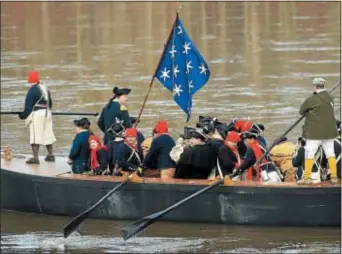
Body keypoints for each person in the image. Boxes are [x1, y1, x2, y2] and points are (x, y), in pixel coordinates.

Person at [297, 78, 338, 184]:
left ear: (315, 87)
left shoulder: (312, 99)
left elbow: (301, 111)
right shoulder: (330, 97)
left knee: (309, 153)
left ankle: (307, 178)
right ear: (323, 86)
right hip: (329, 133)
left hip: (314, 133)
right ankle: (334, 177)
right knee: (330, 154)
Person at [18, 71, 56, 164]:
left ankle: (35, 158)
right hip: (47, 113)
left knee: (35, 135)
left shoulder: (32, 90)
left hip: (38, 114)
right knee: (47, 133)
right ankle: (51, 155)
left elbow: (28, 108)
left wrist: (22, 116)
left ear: (30, 80)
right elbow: (50, 104)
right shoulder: (45, 88)